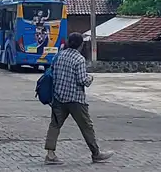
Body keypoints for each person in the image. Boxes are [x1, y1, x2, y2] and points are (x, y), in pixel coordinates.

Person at [45, 32, 113, 164]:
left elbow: (52, 72)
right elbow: (82, 80)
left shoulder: (58, 56)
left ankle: (50, 155)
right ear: (81, 45)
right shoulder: (79, 59)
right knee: (86, 126)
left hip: (58, 97)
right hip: (76, 99)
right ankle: (96, 153)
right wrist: (90, 78)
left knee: (55, 125)